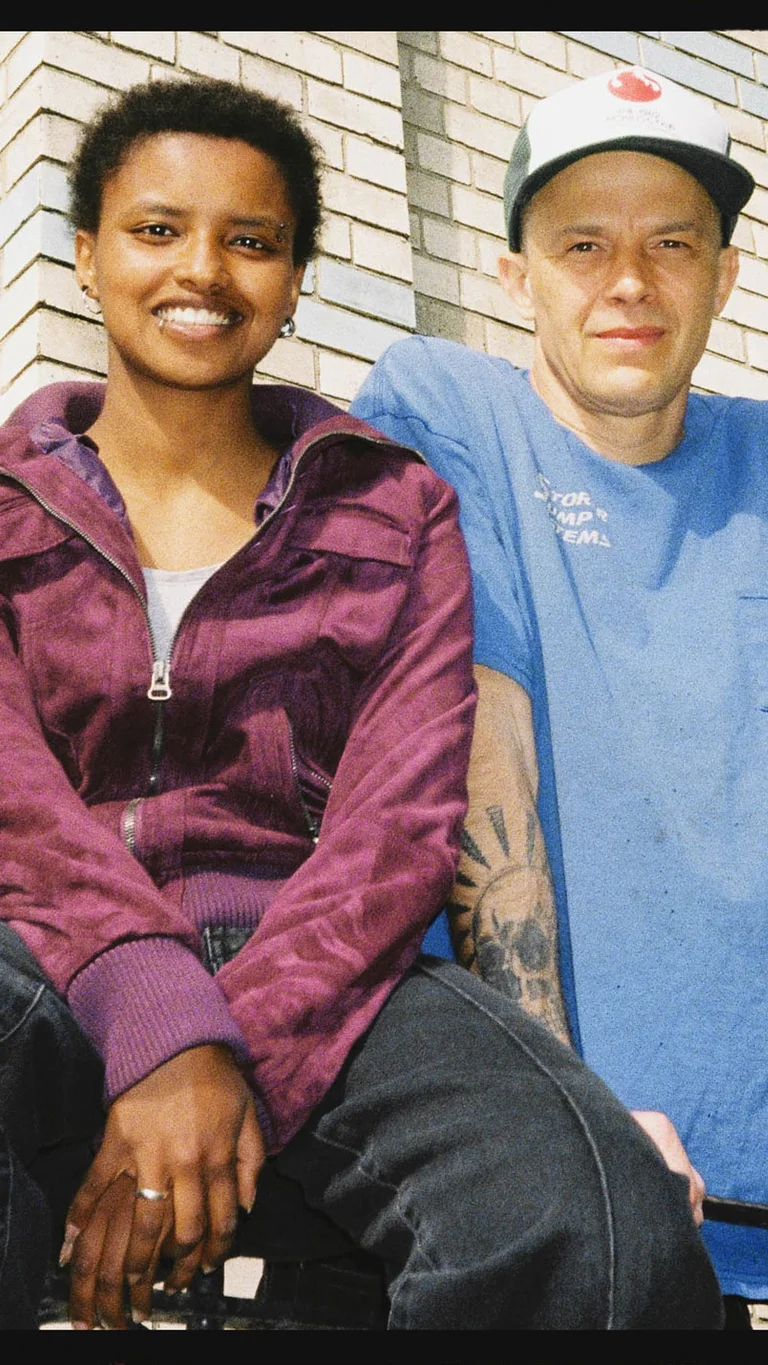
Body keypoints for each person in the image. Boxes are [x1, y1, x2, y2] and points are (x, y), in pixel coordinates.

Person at [0, 75, 722, 1333]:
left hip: (324, 965)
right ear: (84, 254)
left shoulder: (395, 508)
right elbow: (14, 802)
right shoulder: (6, 505)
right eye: (159, 228)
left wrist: (236, 1063)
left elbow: (397, 830)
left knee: (595, 1213)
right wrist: (160, 1020)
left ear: (296, 277)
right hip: (45, 950)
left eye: (253, 240)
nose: (204, 270)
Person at [352, 65, 767, 1322]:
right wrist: (571, 1134)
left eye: (671, 243)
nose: (629, 279)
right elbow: (482, 749)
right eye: (582, 244)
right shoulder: (447, 405)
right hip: (562, 1231)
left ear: (725, 279)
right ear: (515, 275)